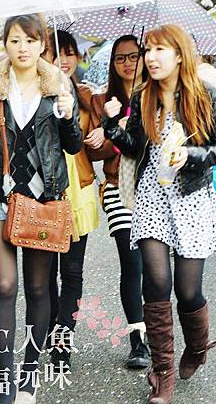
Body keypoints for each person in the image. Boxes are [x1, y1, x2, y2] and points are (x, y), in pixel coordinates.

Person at [0, 14, 82, 404]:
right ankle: (6, 381)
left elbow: (73, 147)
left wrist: (67, 113)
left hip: (43, 202)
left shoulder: (58, 86)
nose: (22, 47)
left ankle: (29, 375)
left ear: (42, 45)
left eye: (29, 40)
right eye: (14, 41)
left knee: (39, 287)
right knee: (6, 285)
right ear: (4, 46)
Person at [103, 24, 216, 404]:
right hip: (153, 198)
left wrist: (190, 156)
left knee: (187, 291)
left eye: (160, 49)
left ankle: (197, 346)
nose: (151, 57)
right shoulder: (145, 95)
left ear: (180, 54)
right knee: (156, 283)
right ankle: (162, 374)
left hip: (191, 197)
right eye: (148, 50)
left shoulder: (204, 93)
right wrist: (112, 123)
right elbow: (134, 146)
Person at [87, 35, 150, 369]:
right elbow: (93, 150)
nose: (127, 63)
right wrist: (114, 129)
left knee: (154, 268)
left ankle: (157, 331)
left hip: (151, 188)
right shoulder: (103, 101)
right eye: (120, 58)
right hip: (115, 186)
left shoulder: (156, 95)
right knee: (132, 260)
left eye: (133, 55)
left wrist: (135, 129)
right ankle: (137, 340)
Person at [49, 30, 100, 370]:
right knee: (43, 275)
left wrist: (105, 130)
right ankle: (50, 330)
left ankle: (62, 342)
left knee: (72, 272)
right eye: (57, 53)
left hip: (79, 188)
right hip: (47, 191)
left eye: (69, 53)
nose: (63, 60)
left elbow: (98, 148)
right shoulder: (36, 94)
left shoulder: (85, 96)